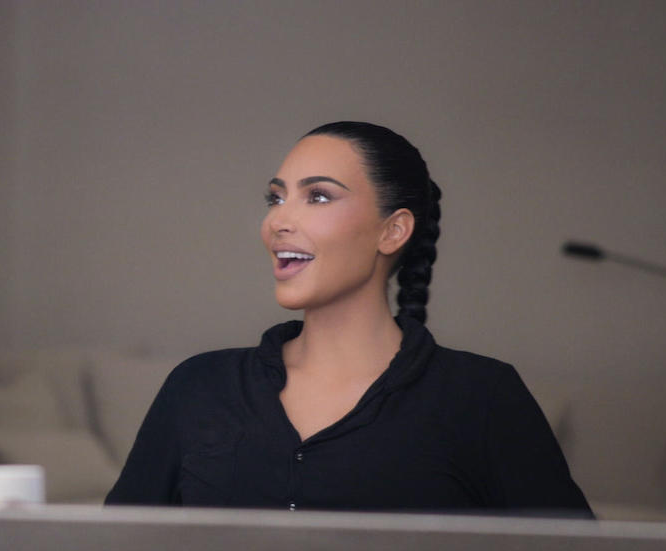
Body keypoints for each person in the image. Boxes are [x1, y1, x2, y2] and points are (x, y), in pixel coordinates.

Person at [105, 121, 591, 516]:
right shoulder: (198, 386)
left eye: (318, 196)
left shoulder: (483, 397)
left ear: (393, 231)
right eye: (276, 198)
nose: (277, 221)